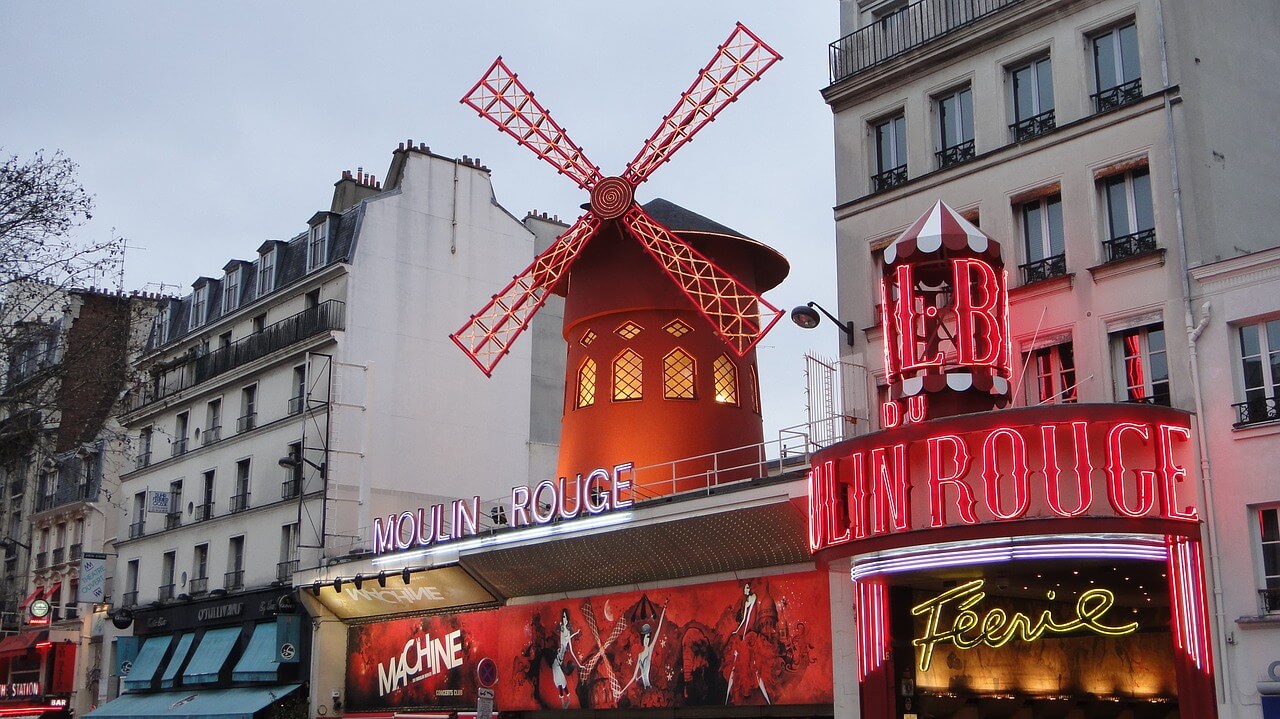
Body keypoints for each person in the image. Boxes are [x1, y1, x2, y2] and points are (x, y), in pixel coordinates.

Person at [552, 608, 580, 708]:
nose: (564, 619)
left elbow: (570, 648)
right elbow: (557, 630)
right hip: (557, 662)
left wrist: (579, 664)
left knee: (561, 682)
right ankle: (564, 699)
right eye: (563, 616)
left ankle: (566, 699)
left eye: (565, 617)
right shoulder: (562, 628)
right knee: (560, 682)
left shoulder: (567, 634)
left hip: (558, 662)